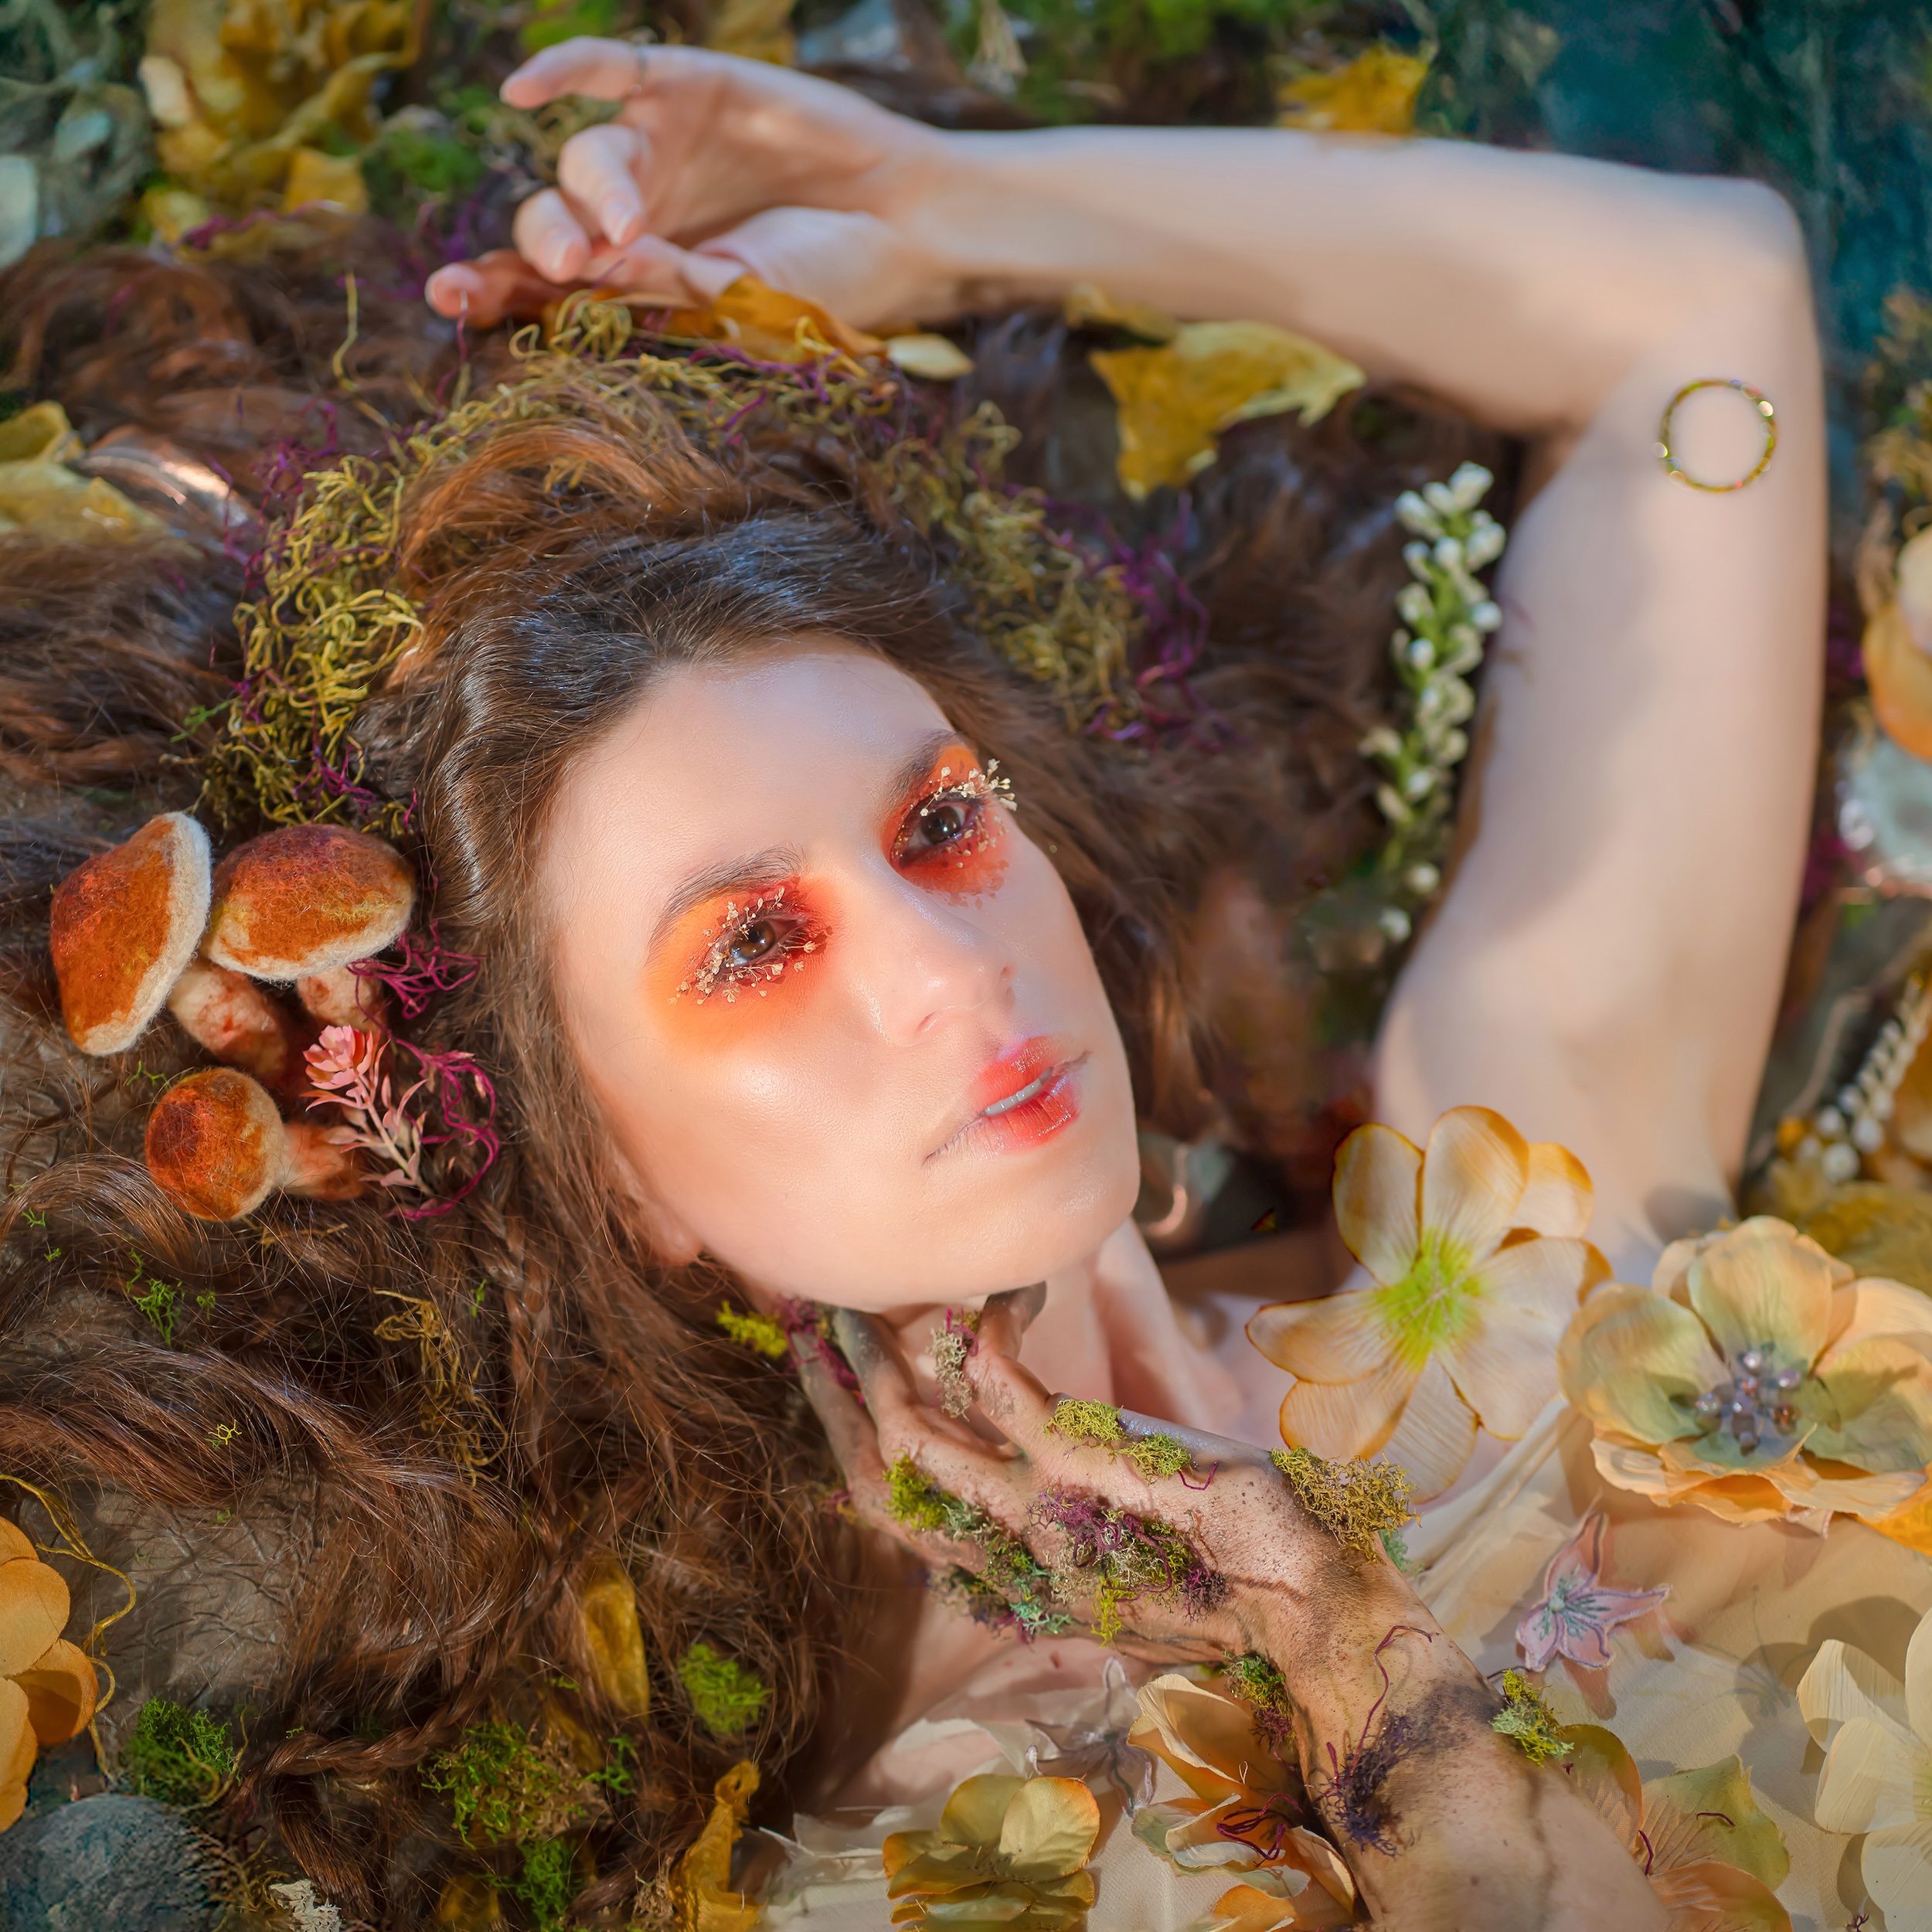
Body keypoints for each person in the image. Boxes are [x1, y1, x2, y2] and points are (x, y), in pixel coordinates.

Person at [0, 38, 1906, 1932]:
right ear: (610, 1171)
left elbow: (1697, 312)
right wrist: (1339, 1644)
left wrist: (932, 207)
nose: (946, 962)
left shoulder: (1522, 1246)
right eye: (753, 942)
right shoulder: (911, 1861)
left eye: (936, 822)